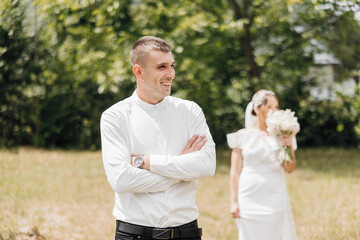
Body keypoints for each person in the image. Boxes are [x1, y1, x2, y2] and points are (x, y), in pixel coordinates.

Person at [100, 36, 216, 240]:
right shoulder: (114, 116)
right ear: (138, 71)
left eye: (172, 65)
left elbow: (207, 165)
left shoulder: (190, 111)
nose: (171, 74)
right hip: (135, 234)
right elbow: (122, 180)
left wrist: (146, 162)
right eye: (162, 67)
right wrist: (182, 167)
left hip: (187, 232)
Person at [227, 89, 297, 240]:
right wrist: (233, 202)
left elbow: (289, 169)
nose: (274, 111)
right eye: (269, 107)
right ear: (256, 108)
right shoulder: (242, 136)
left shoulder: (282, 135)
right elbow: (235, 172)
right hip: (248, 196)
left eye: (276, 107)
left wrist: (289, 145)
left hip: (275, 196)